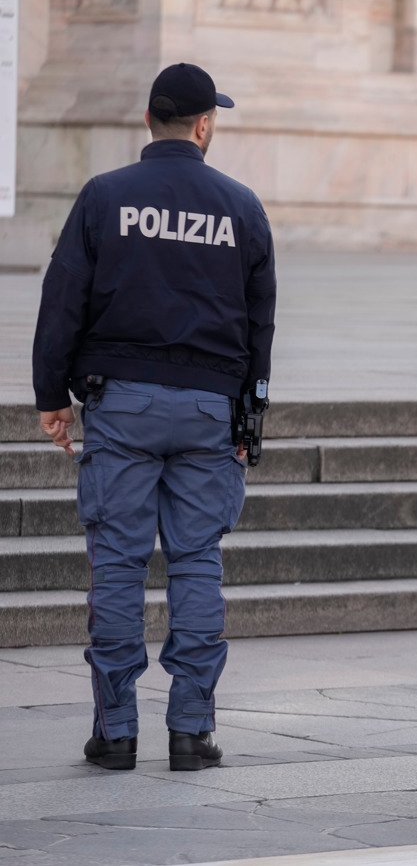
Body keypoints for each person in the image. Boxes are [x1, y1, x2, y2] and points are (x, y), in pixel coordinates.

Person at [32, 63, 276, 772]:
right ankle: (191, 731)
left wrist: (52, 398)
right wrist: (249, 418)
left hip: (123, 405)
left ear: (149, 121)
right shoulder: (241, 206)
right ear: (204, 126)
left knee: (117, 563)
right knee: (197, 563)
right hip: (208, 408)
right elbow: (261, 328)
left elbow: (62, 304)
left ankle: (115, 731)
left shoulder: (105, 196)